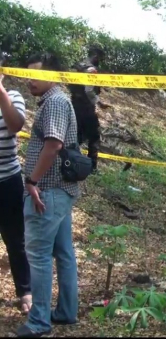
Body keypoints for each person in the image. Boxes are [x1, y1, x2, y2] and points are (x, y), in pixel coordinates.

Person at [17, 53, 80, 337]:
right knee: (64, 253)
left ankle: (39, 322)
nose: (30, 79)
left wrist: (31, 180)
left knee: (39, 256)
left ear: (52, 75)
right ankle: (66, 311)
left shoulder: (54, 102)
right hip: (59, 192)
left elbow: (53, 145)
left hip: (47, 191)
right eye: (28, 74)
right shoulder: (59, 100)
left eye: (36, 74)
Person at [0, 57, 32, 315]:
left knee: (15, 240)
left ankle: (25, 291)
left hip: (8, 181)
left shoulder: (13, 96)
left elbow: (16, 125)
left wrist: (0, 93)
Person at [68, 44, 105, 173]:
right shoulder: (91, 69)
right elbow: (89, 90)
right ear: (95, 56)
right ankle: (92, 168)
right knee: (94, 136)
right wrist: (99, 103)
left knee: (77, 135)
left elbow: (70, 85)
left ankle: (71, 162)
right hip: (86, 107)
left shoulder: (77, 66)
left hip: (74, 105)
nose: (100, 61)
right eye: (99, 58)